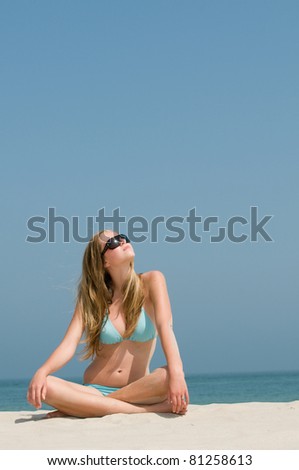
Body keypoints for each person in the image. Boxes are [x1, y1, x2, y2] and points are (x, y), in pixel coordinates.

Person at [27, 230, 189, 418]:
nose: (121, 242)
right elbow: (68, 344)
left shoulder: (152, 280)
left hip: (139, 389)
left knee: (168, 375)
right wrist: (42, 371)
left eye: (122, 237)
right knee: (46, 385)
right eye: (112, 243)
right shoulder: (92, 299)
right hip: (94, 389)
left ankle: (89, 407)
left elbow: (165, 327)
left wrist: (177, 373)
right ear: (104, 262)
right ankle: (150, 409)